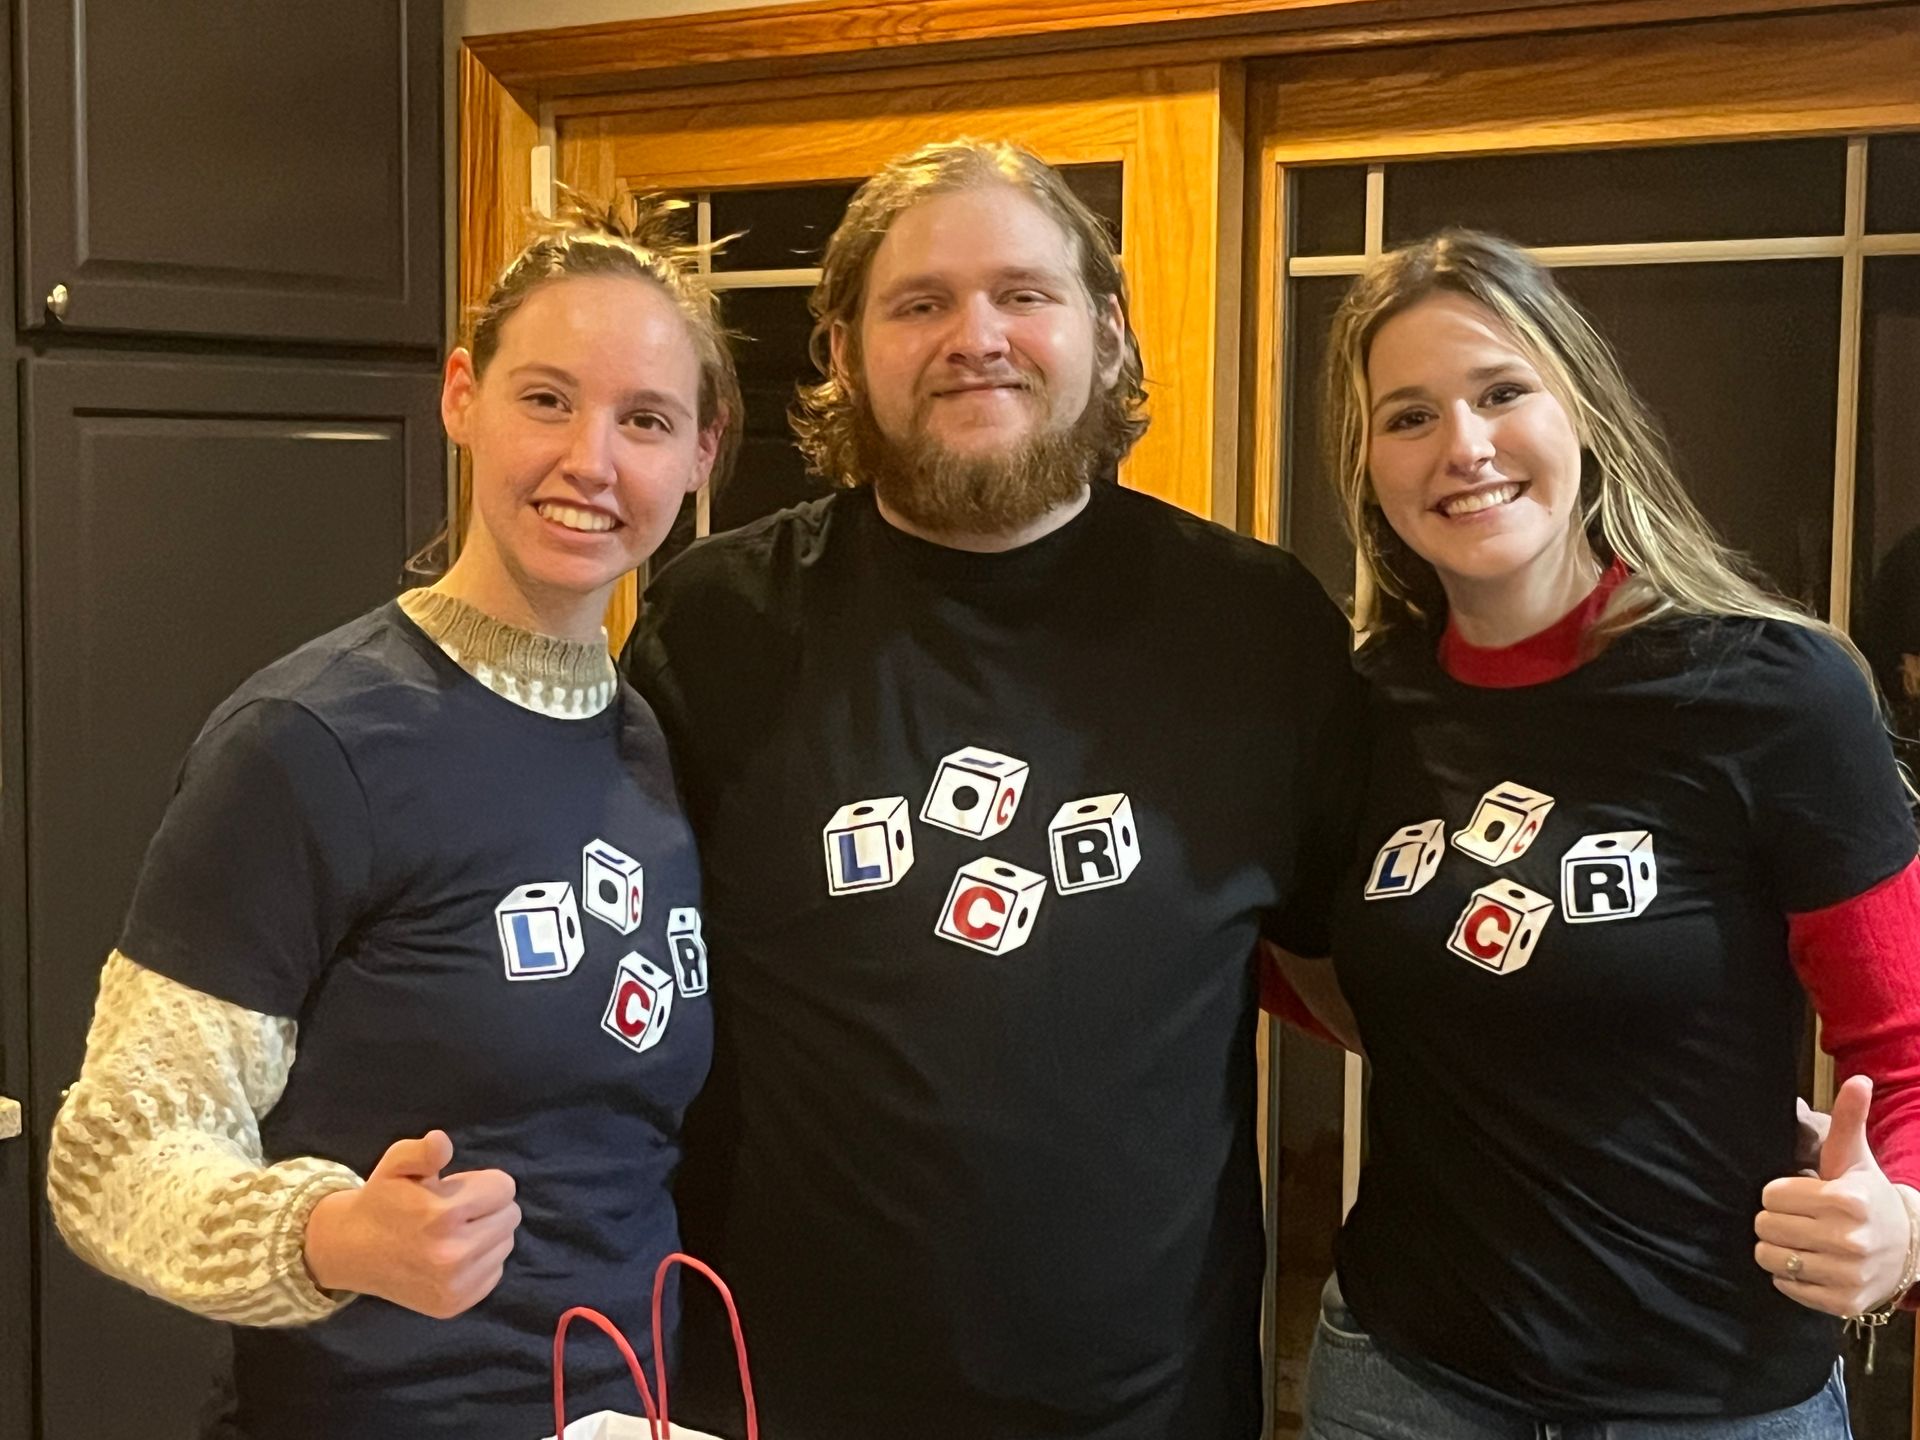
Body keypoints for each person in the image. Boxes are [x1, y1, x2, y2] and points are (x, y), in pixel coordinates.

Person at [623, 139, 1364, 1440]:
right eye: (920, 303)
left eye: (1024, 294)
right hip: (769, 1404)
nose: (978, 335)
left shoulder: (1258, 627)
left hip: (1152, 1410)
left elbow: (1363, 979)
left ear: (1109, 334)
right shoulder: (716, 619)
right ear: (844, 353)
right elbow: (610, 984)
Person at [46, 194, 740, 1438]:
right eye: (546, 399)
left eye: (645, 420)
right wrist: (329, 1234)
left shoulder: (657, 743)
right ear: (462, 395)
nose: (592, 460)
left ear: (700, 457)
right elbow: (113, 1155)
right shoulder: (310, 743)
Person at [1276, 228, 1920, 1438]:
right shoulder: (1357, 708)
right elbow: (1292, 952)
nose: (1463, 446)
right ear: (1366, 466)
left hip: (1716, 1398)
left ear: (1583, 409)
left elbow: (1910, 1036)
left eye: (1502, 391)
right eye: (1407, 416)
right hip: (1405, 1381)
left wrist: (1904, 1227)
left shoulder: (1778, 692)